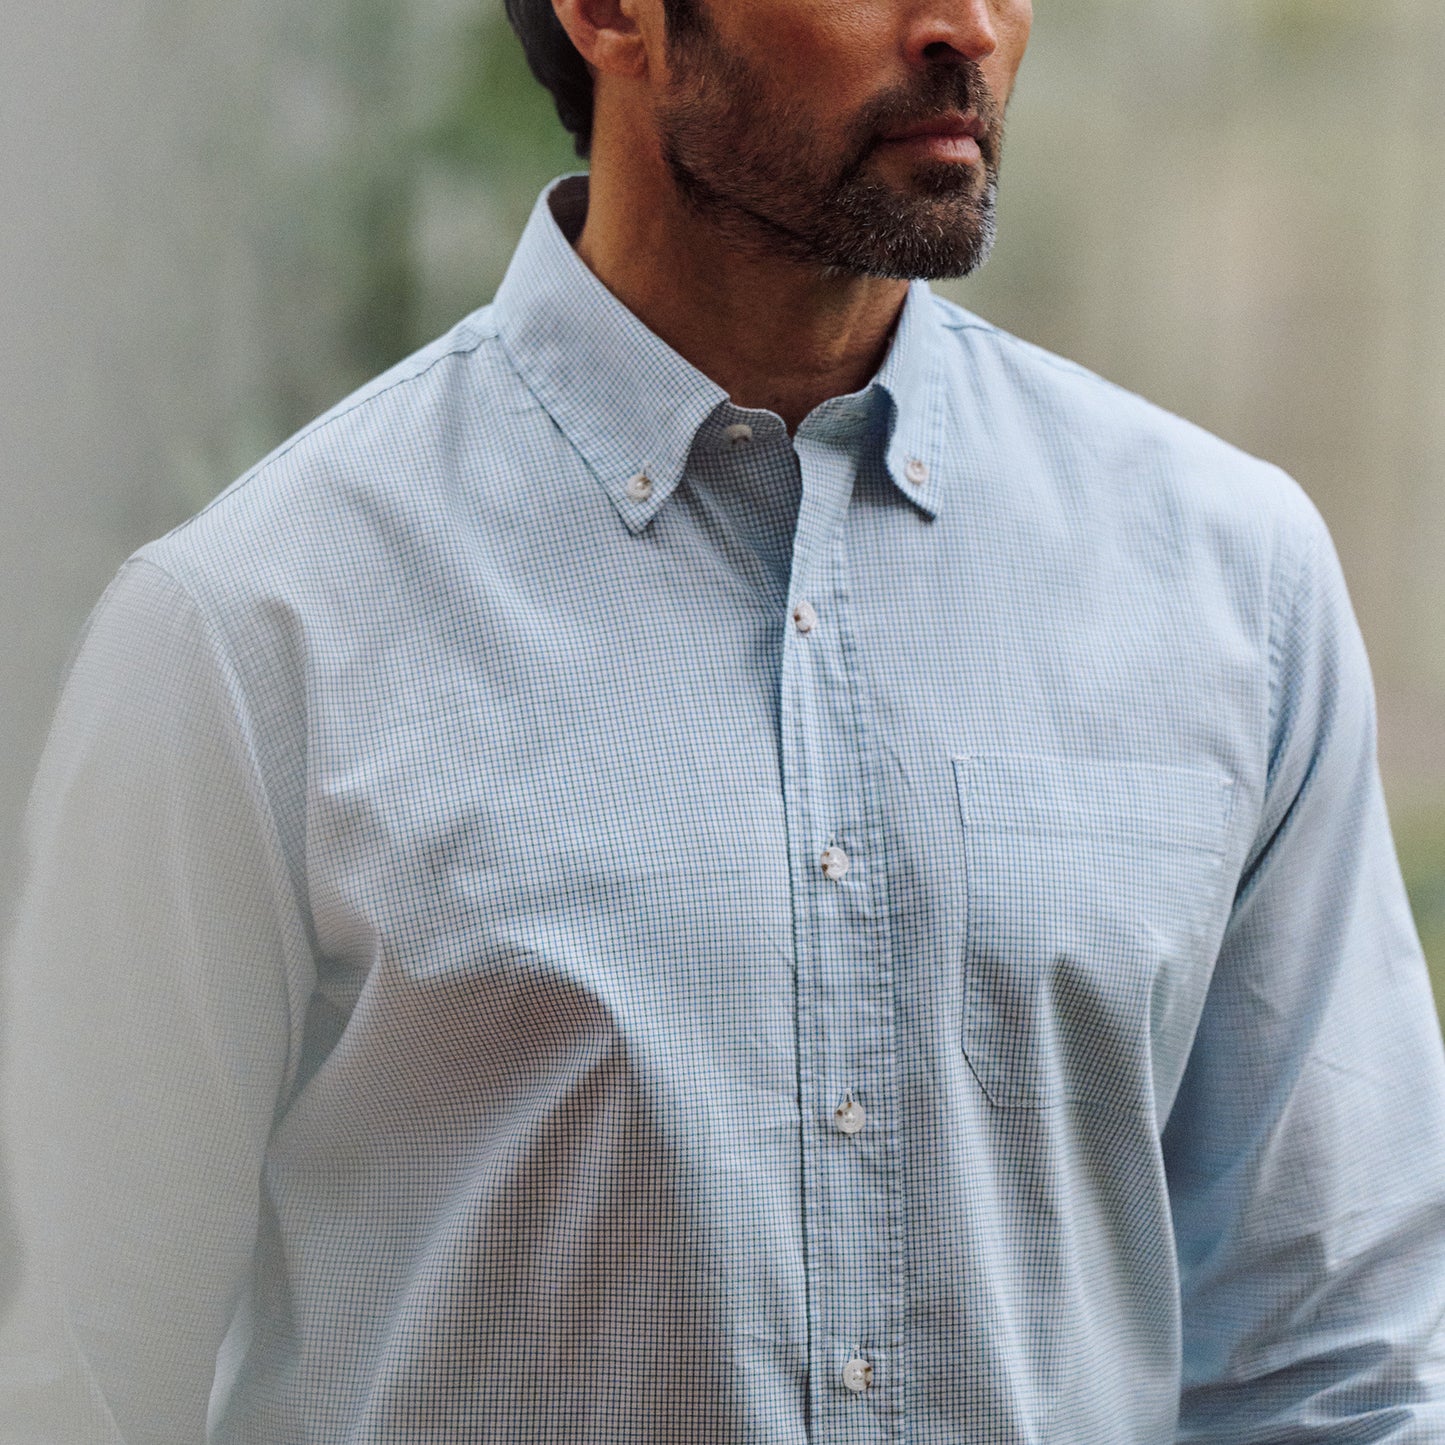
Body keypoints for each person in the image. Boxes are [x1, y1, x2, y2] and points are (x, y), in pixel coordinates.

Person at [5, 0, 1445, 1436]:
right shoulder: (252, 627)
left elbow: (1338, 1369)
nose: (966, 28)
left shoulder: (1228, 584)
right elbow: (81, 1383)